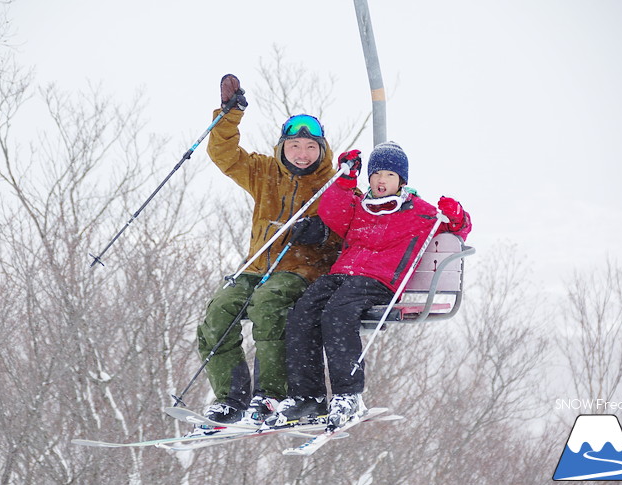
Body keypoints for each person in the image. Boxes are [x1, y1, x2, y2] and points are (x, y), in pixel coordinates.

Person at [267, 141, 472, 428]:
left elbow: (458, 228)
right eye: (375, 175)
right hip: (343, 275)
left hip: (379, 281)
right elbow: (332, 214)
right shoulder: (360, 206)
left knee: (337, 314)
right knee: (304, 310)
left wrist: (456, 213)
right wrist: (345, 180)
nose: (380, 181)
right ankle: (307, 396)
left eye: (388, 175)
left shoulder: (419, 212)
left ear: (401, 180)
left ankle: (347, 395)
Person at [196, 74, 341, 424]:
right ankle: (231, 398)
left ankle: (271, 395)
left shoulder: (333, 184)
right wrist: (229, 115)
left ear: (321, 149)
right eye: (295, 147)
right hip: (257, 268)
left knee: (268, 304)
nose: (302, 154)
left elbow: (349, 233)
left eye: (310, 148)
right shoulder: (264, 171)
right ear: (283, 148)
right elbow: (224, 155)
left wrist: (322, 233)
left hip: (301, 271)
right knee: (218, 314)